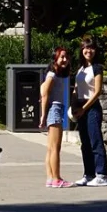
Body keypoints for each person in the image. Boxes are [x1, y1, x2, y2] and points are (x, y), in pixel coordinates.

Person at [72, 36, 107, 186]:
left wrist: (84, 108)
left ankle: (102, 174)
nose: (88, 51)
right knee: (85, 143)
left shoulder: (97, 68)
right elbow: (76, 88)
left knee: (95, 141)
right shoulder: (80, 69)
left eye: (91, 48)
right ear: (82, 50)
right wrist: (75, 106)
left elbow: (97, 91)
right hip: (80, 107)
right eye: (86, 48)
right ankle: (89, 174)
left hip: (92, 107)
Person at [39, 47, 73, 188]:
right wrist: (43, 115)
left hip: (56, 109)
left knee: (50, 148)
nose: (64, 60)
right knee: (55, 148)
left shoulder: (55, 74)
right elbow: (44, 93)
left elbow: (42, 89)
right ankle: (56, 179)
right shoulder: (52, 75)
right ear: (55, 59)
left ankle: (50, 178)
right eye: (62, 57)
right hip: (55, 109)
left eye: (66, 57)